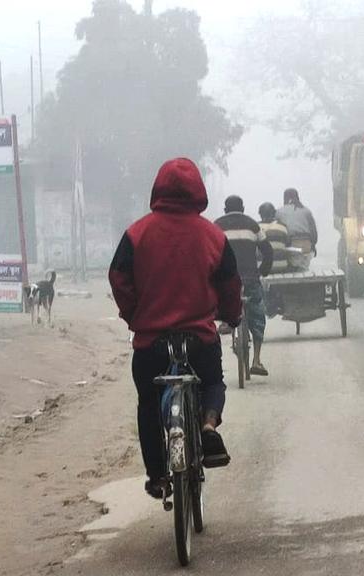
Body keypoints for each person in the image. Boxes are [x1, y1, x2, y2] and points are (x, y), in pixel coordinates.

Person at [109, 158, 241, 499]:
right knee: (212, 382)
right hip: (199, 338)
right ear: (199, 190)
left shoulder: (137, 233)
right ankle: (209, 425)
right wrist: (232, 315)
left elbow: (119, 277)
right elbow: (229, 283)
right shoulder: (212, 235)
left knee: (148, 404)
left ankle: (156, 476)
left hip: (151, 343)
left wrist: (134, 314)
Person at [216, 196, 274, 376]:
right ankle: (256, 360)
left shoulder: (216, 226)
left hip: (227, 280)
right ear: (243, 208)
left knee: (221, 300)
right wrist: (263, 269)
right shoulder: (252, 225)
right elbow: (267, 250)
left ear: (225, 209)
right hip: (250, 278)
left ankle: (226, 321)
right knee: (257, 315)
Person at [277, 188, 318, 256]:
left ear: (285, 198)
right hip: (306, 246)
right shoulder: (306, 211)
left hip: (290, 247)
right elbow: (314, 233)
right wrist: (313, 245)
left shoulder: (279, 212)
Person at [258, 202, 290, 274]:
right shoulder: (283, 226)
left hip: (262, 267)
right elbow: (288, 245)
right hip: (281, 266)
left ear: (260, 214)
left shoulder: (255, 228)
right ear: (274, 213)